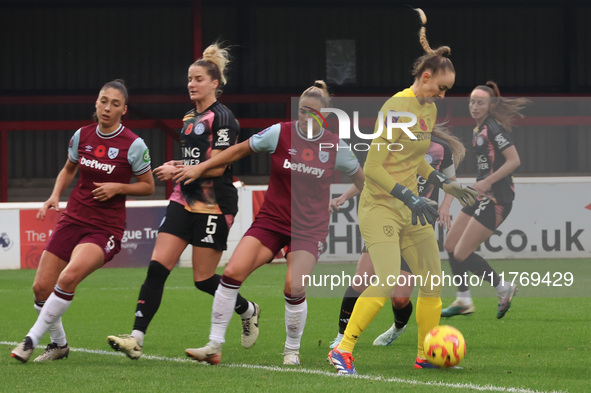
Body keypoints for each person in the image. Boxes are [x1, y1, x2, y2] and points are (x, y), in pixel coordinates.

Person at [327, 8, 478, 374]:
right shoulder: (397, 107)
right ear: (425, 77)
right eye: (441, 88)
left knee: (432, 282)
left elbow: (414, 160)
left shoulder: (424, 110)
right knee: (389, 280)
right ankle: (342, 349)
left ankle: (427, 355)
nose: (443, 96)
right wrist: (411, 197)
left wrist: (445, 183)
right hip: (380, 207)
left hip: (411, 207)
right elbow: (374, 168)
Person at [174, 80, 365, 365]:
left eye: (313, 111)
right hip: (272, 220)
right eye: (302, 110)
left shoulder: (336, 146)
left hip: (309, 228)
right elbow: (238, 151)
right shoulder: (279, 133)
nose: (306, 116)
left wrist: (343, 197)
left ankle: (291, 350)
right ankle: (214, 346)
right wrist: (201, 167)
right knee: (232, 273)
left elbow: (363, 182)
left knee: (294, 287)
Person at [107, 43, 260, 360]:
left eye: (199, 78)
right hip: (183, 198)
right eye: (190, 78)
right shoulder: (189, 116)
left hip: (215, 202)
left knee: (204, 280)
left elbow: (218, 165)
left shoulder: (224, 118)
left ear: (215, 83)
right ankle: (135, 338)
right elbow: (195, 160)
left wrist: (180, 170)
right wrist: (175, 166)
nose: (192, 84)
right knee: (156, 269)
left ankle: (247, 310)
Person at [11, 80, 155, 363]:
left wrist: (118, 187)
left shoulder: (134, 145)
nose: (107, 108)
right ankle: (59, 345)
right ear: (96, 102)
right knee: (41, 287)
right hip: (73, 217)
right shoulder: (82, 135)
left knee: (68, 278)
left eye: (115, 104)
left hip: (105, 228)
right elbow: (68, 169)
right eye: (104, 101)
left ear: (124, 110)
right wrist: (54, 195)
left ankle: (30, 339)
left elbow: (148, 186)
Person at [329, 128, 465, 348]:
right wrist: (344, 196)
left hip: (417, 226)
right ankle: (342, 335)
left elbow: (449, 181)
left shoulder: (442, 149)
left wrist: (445, 207)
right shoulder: (393, 145)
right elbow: (371, 176)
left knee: (400, 298)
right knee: (361, 280)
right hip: (387, 219)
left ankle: (397, 328)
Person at [441, 81, 528, 319]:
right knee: (450, 244)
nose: (474, 106)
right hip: (482, 197)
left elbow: (514, 160)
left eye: (480, 102)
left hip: (497, 199)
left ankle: (503, 288)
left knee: (461, 253)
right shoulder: (478, 129)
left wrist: (487, 182)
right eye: (471, 101)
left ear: (490, 106)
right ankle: (464, 299)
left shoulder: (493, 129)